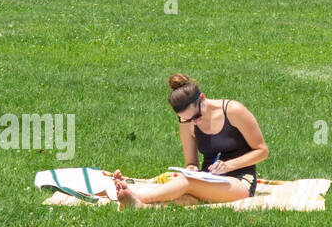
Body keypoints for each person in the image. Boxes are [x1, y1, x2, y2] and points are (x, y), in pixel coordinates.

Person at [114, 73, 269, 208]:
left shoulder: (233, 111)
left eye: (196, 116)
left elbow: (262, 151)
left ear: (202, 98)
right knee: (185, 197)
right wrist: (192, 169)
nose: (194, 122)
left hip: (240, 181)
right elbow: (191, 163)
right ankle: (140, 207)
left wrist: (228, 165)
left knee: (186, 183)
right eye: (187, 119)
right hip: (209, 178)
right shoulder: (187, 122)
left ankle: (137, 196)